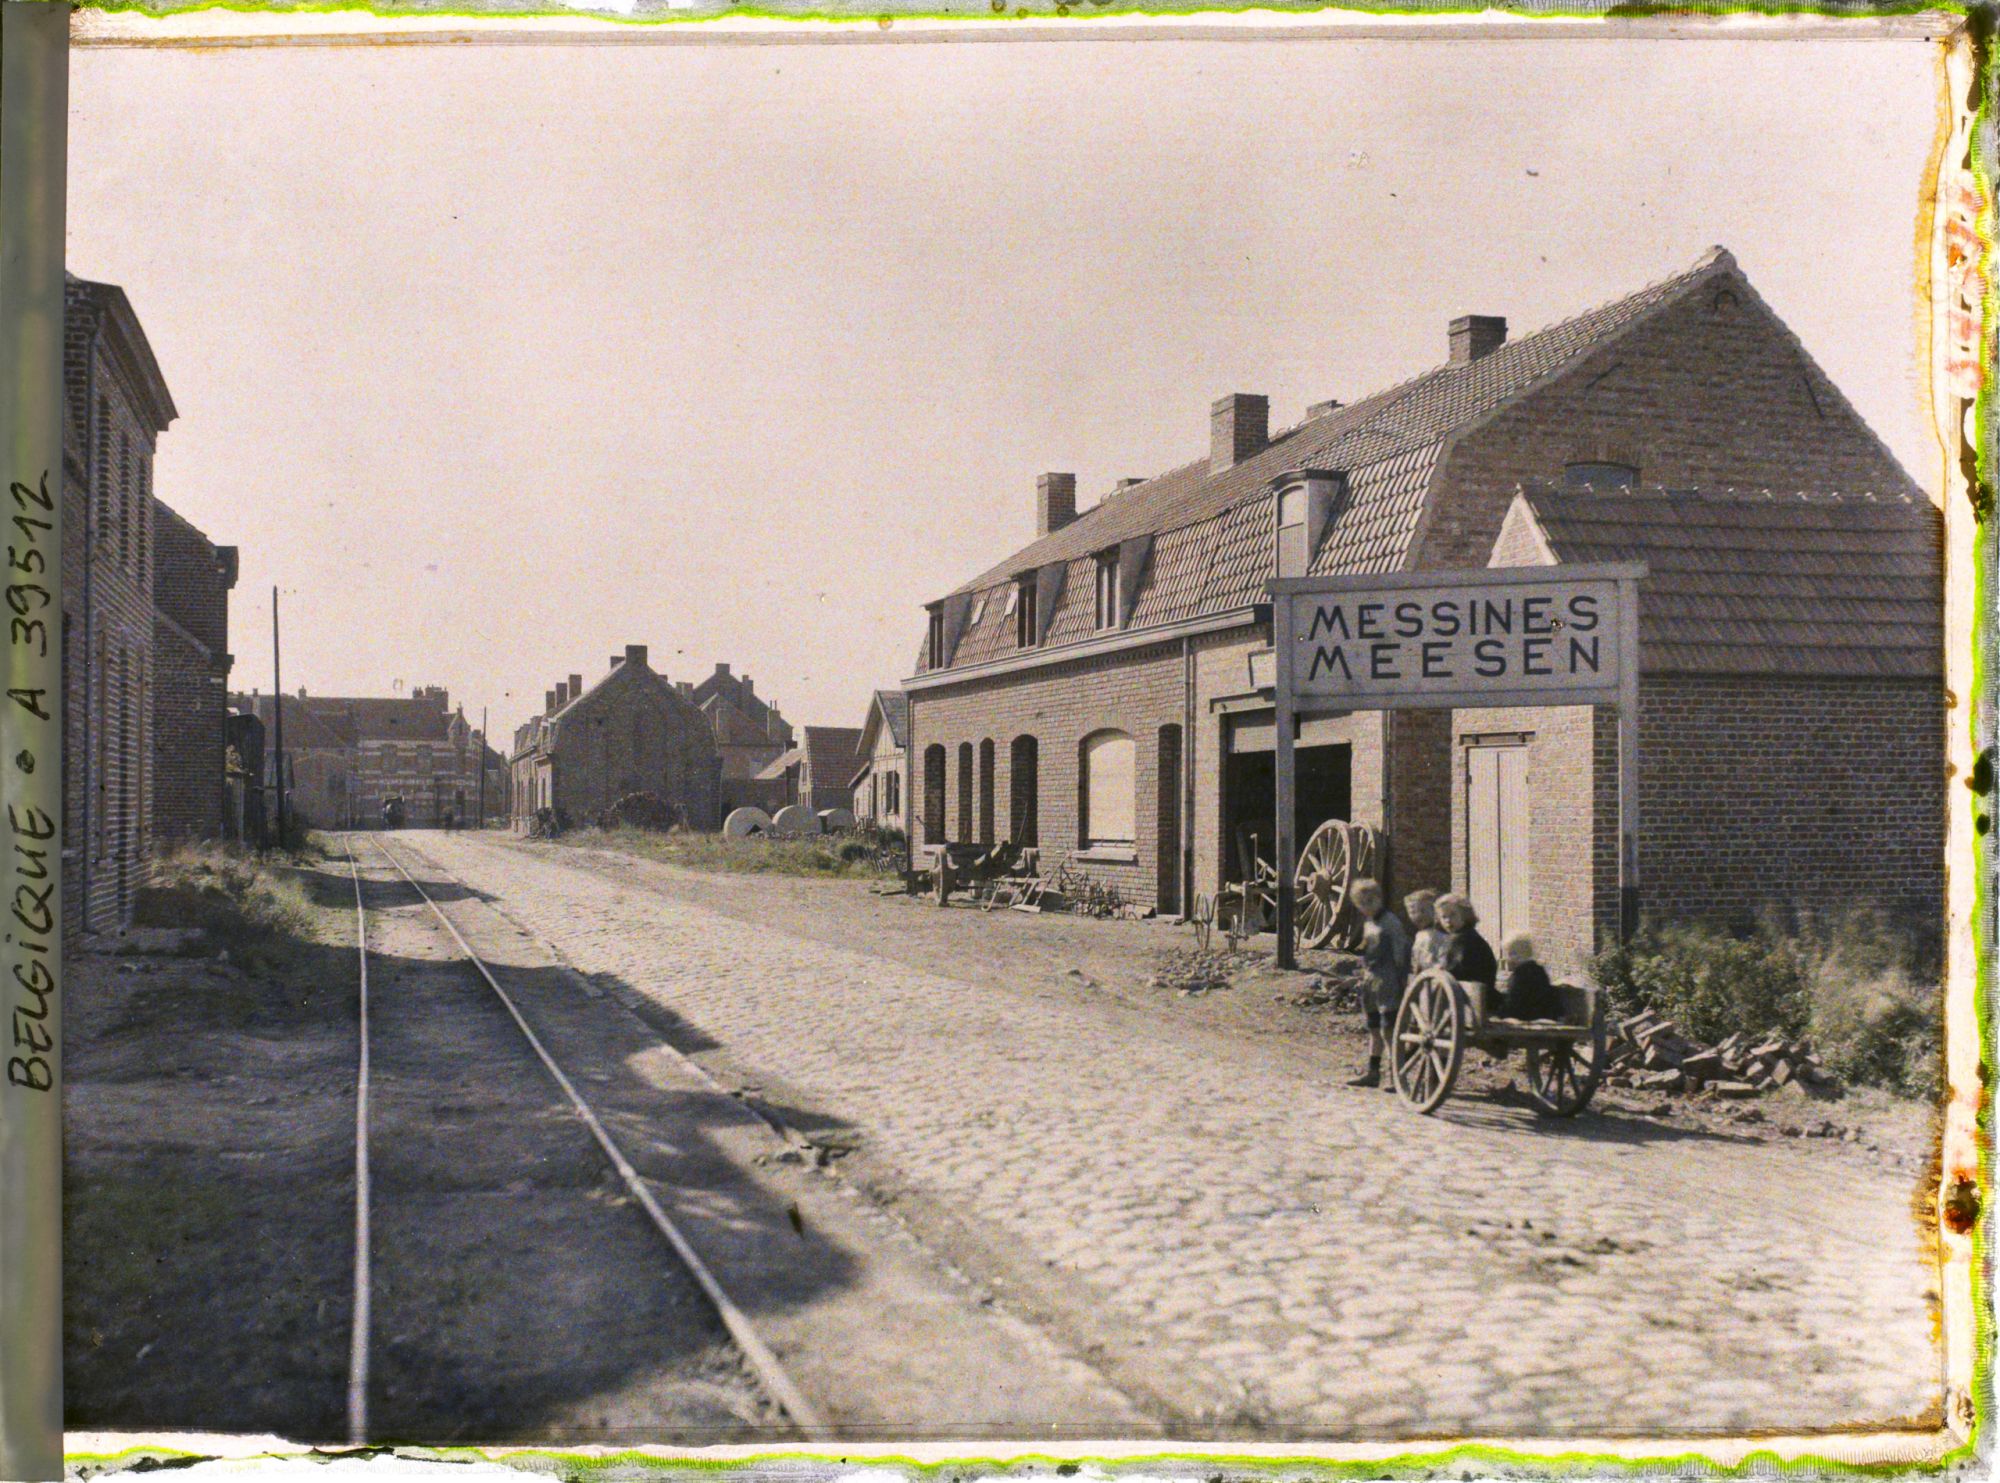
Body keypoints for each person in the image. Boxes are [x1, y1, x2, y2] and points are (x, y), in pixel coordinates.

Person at [1346, 877, 1409, 1090]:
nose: (1367, 906)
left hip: (1388, 979)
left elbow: (1400, 952)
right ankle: (1373, 1072)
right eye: (1362, 903)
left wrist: (1401, 979)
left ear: (1379, 899)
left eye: (1371, 901)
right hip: (1371, 980)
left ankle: (1395, 1076)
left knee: (1388, 1029)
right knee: (1373, 1027)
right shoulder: (1369, 923)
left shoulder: (1390, 922)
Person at [1435, 893, 1498, 1012]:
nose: (1448, 920)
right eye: (1444, 917)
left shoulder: (1463, 939)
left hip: (1470, 1000)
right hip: (1475, 995)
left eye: (1453, 915)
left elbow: (1451, 971)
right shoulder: (1462, 936)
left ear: (1464, 915)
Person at [1498, 934, 1561, 1021]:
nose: (1506, 959)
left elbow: (1514, 1007)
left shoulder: (1520, 976)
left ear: (1516, 955)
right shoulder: (1538, 971)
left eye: (1508, 954)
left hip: (1527, 1022)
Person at [1406, 888, 1450, 974]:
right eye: (1413, 912)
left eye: (1423, 911)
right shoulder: (1420, 935)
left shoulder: (1439, 935)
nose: (1418, 916)